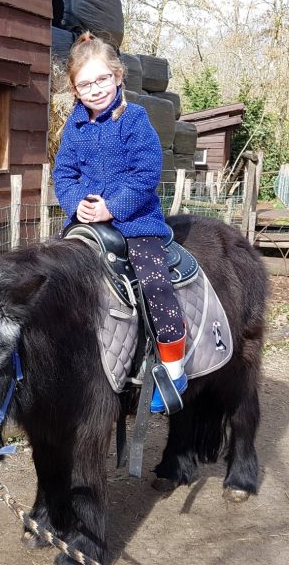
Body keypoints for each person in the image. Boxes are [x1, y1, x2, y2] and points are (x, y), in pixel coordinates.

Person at [53, 32, 187, 414]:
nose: (94, 89)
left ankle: (173, 369)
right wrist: (78, 205)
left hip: (135, 224)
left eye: (100, 80)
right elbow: (63, 174)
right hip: (86, 225)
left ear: (117, 77)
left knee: (155, 286)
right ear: (74, 90)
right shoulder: (74, 129)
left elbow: (146, 172)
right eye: (84, 84)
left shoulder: (136, 119)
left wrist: (112, 207)